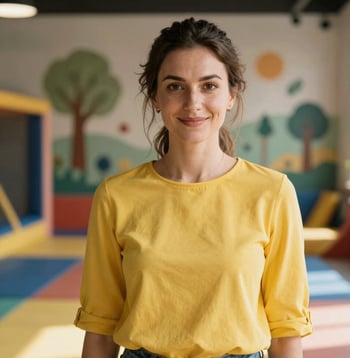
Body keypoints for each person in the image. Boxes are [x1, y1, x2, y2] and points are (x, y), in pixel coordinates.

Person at [74, 17, 313, 358]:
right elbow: (100, 327)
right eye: (175, 86)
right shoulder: (116, 195)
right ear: (155, 96)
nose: (192, 102)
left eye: (209, 85)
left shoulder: (272, 192)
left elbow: (287, 329)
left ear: (231, 94)